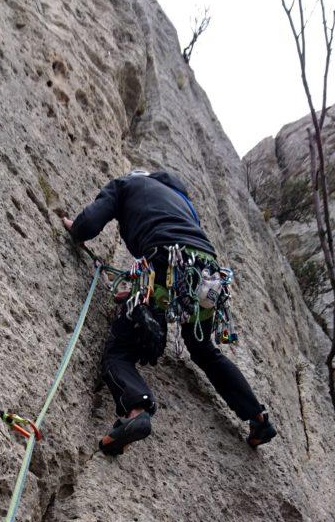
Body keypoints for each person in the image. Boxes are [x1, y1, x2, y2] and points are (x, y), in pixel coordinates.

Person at [63, 168, 277, 455]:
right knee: (203, 349)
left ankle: (135, 412)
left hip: (165, 264)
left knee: (119, 351)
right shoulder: (183, 202)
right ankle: (258, 418)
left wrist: (75, 229)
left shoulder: (126, 184)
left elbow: (89, 223)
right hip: (207, 274)